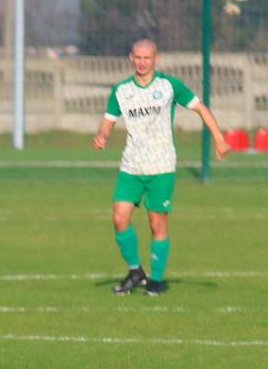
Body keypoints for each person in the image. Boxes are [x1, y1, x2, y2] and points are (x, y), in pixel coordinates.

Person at [93, 39, 231, 297]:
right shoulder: (121, 90)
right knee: (119, 218)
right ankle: (136, 271)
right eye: (138, 57)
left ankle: (155, 281)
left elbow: (200, 108)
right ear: (130, 58)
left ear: (156, 59)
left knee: (157, 226)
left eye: (148, 58)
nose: (142, 62)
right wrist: (102, 135)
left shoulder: (169, 86)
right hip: (131, 165)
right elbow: (108, 121)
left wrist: (219, 138)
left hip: (161, 165)